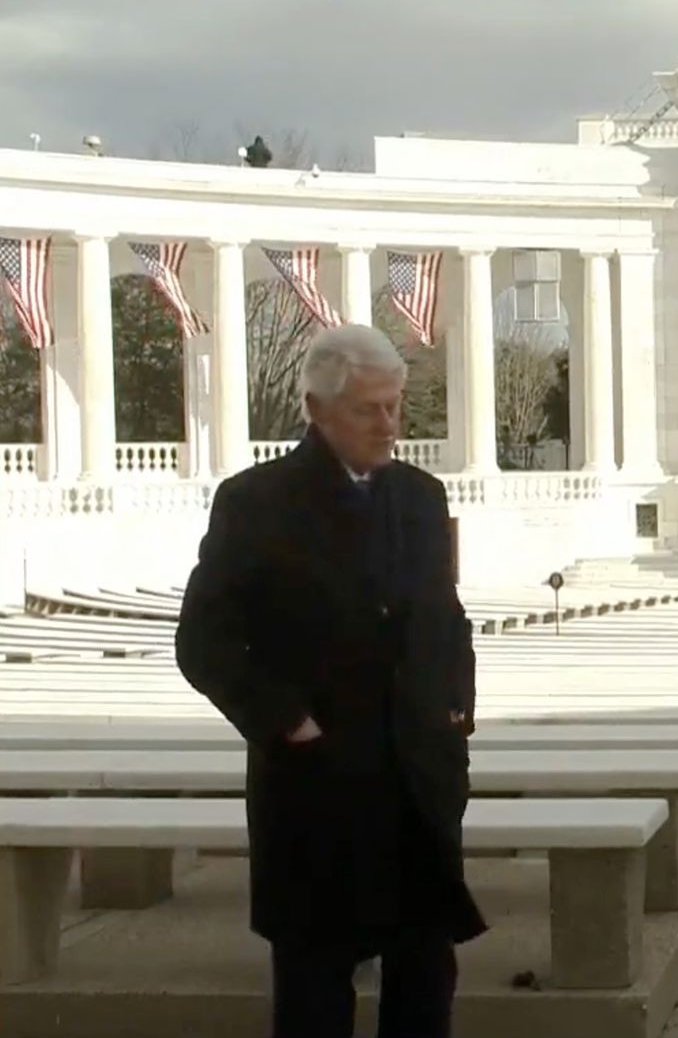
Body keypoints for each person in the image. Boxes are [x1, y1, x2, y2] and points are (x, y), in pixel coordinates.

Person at [176, 324, 485, 1038]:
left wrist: (455, 719)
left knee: (424, 986)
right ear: (316, 409)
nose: (390, 425)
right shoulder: (256, 502)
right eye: (369, 410)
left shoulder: (420, 496)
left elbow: (447, 618)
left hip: (415, 782)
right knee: (315, 990)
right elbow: (203, 640)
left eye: (396, 405)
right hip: (315, 783)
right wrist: (288, 721)